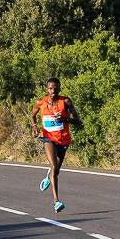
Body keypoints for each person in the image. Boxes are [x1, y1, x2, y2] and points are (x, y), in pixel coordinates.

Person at [29, 77, 79, 213]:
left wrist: (65, 119)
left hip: (63, 140)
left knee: (56, 171)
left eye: (56, 88)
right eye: (50, 88)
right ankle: (56, 201)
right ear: (47, 89)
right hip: (48, 138)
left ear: (59, 88)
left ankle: (48, 176)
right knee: (54, 166)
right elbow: (32, 115)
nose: (53, 91)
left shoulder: (66, 101)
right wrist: (34, 127)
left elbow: (77, 120)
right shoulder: (40, 102)